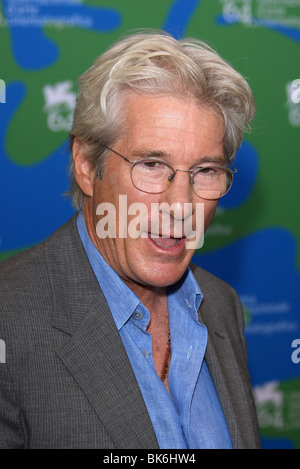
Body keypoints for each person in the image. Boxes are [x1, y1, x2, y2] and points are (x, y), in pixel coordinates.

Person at [0, 30, 261, 449]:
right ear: (86, 164)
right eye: (153, 164)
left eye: (206, 171)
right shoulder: (9, 319)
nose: (181, 205)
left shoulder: (221, 305)